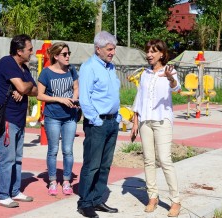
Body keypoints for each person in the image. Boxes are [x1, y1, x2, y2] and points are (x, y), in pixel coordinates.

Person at [130, 39, 181, 217]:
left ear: (162, 54)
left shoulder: (170, 71)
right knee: (148, 160)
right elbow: (139, 97)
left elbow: (177, 89)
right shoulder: (145, 74)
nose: (149, 54)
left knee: (165, 160)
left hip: (162, 121)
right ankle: (153, 197)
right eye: (148, 51)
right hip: (145, 121)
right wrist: (135, 122)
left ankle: (176, 200)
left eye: (153, 51)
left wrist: (170, 79)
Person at [77, 31, 121, 218]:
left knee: (105, 165)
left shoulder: (110, 67)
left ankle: (97, 199)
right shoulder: (89, 67)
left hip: (112, 122)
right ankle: (85, 202)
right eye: (109, 49)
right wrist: (96, 120)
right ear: (98, 49)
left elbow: (112, 95)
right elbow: (85, 98)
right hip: (97, 123)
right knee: (92, 165)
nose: (112, 52)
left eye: (113, 49)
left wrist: (117, 116)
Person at [0, 34, 38, 208]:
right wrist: (23, 87)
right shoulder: (7, 62)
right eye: (29, 49)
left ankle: (14, 190)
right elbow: (24, 87)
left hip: (19, 119)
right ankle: (2, 194)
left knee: (18, 158)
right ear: (19, 51)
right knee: (7, 158)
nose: (32, 52)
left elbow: (35, 90)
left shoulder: (24, 69)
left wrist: (24, 87)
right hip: (7, 118)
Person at [36, 42, 79, 196]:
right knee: (53, 150)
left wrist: (74, 100)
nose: (68, 57)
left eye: (69, 54)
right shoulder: (46, 73)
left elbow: (76, 88)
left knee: (68, 150)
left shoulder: (72, 70)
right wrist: (60, 99)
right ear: (55, 56)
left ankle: (67, 181)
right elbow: (40, 95)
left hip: (70, 117)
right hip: (52, 117)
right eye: (64, 54)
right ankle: (53, 181)